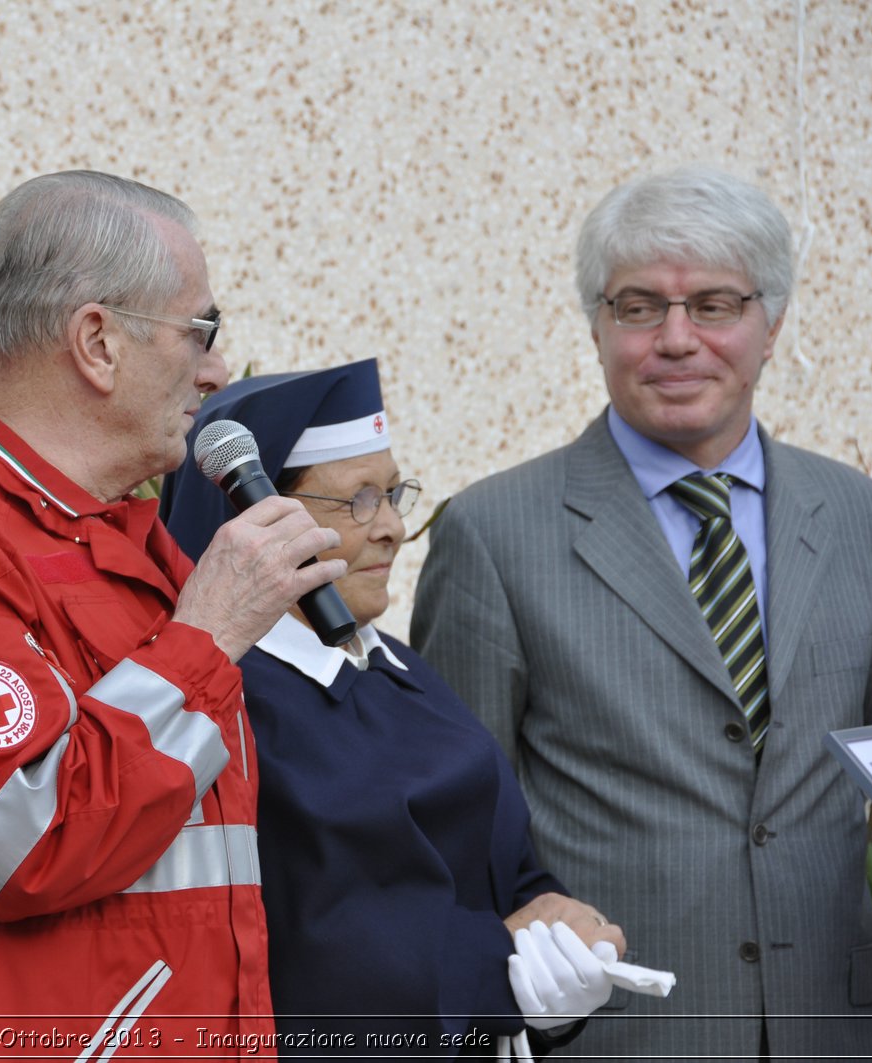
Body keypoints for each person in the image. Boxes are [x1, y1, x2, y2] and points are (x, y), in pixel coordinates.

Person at [0, 170, 348, 1055]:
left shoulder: (130, 539)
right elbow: (27, 840)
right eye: (201, 331)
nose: (217, 371)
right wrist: (206, 635)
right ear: (97, 342)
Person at [410, 165, 872, 1061]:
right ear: (597, 326)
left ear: (773, 324)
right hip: (617, 1033)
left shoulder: (868, 521)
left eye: (714, 305)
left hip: (827, 1030)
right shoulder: (492, 533)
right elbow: (454, 827)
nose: (677, 339)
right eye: (639, 306)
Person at [161, 359, 630, 1058]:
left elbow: (503, 862)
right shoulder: (227, 703)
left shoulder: (398, 665)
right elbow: (315, 948)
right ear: (256, 525)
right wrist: (501, 969)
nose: (391, 530)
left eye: (392, 494)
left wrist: (564, 934)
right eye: (357, 500)